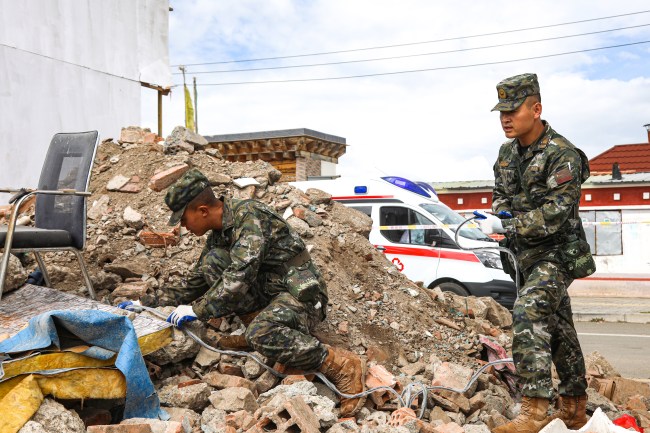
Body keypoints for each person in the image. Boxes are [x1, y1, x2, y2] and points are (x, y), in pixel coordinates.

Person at [140, 168, 366, 417]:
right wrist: (146, 303)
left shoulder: (249, 217)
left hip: (301, 294)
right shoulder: (219, 234)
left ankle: (340, 364)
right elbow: (195, 282)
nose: (182, 227)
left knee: (261, 333)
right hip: (271, 293)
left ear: (202, 211)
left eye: (183, 219)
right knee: (213, 261)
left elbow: (240, 275)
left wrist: (196, 310)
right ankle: (261, 329)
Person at [476, 73, 594, 433]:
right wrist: (501, 214)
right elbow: (501, 192)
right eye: (501, 113)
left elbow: (558, 212)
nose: (506, 119)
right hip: (525, 255)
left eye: (513, 110)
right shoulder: (507, 153)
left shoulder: (562, 154)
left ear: (536, 108)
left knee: (528, 312)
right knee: (558, 327)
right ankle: (574, 408)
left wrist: (507, 227)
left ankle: (535, 409)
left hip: (558, 252)